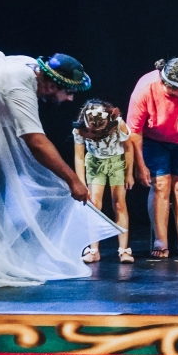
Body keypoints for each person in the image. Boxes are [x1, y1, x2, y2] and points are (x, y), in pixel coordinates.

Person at [0, 52, 120, 286]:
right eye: (68, 92)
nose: (70, 99)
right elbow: (36, 141)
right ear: (50, 85)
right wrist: (73, 180)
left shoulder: (29, 67)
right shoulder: (20, 85)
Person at [127, 58, 178, 258]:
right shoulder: (146, 88)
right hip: (154, 140)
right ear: (166, 83)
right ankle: (161, 240)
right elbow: (134, 131)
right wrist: (140, 165)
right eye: (177, 89)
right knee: (161, 185)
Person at [73, 99, 134, 263]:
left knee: (119, 203)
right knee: (94, 204)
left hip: (116, 162)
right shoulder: (79, 129)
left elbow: (128, 148)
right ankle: (94, 250)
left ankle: (124, 250)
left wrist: (129, 174)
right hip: (95, 163)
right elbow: (79, 156)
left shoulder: (118, 124)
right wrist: (81, 182)